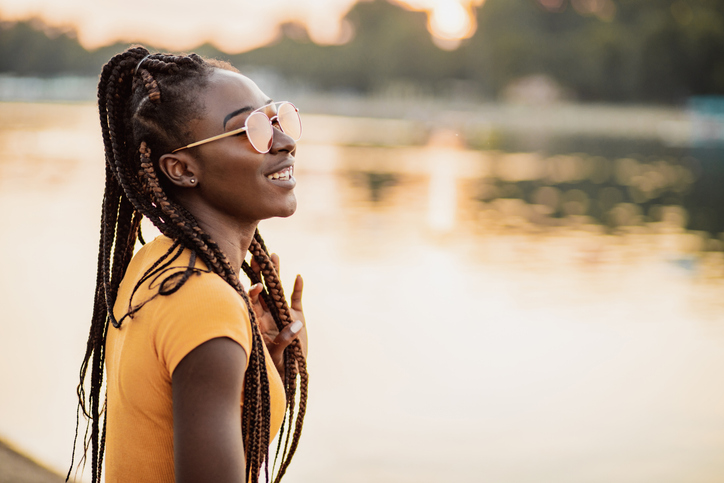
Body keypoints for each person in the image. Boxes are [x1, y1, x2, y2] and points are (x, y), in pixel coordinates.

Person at [68, 45, 309, 483]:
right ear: (181, 169)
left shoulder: (157, 264)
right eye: (251, 130)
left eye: (277, 118)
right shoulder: (205, 303)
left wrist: (264, 367)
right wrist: (224, 339)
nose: (285, 140)